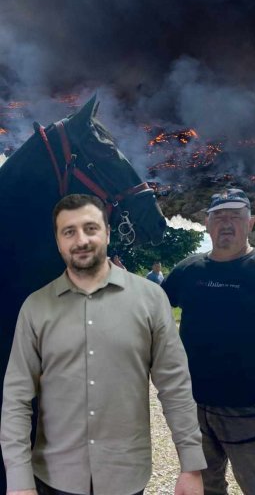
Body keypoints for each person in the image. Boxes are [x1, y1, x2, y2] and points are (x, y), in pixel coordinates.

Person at [1, 194, 205, 495]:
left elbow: (175, 385)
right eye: (69, 232)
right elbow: (16, 398)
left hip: (126, 478)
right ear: (58, 242)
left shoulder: (150, 300)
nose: (80, 240)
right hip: (54, 478)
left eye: (90, 228)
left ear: (108, 233)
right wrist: (18, 481)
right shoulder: (35, 307)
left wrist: (191, 466)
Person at [162, 188, 255, 495]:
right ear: (207, 224)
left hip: (248, 407)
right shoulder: (188, 269)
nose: (227, 223)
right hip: (191, 405)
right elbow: (150, 309)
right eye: (219, 216)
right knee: (204, 487)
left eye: (236, 215)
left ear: (251, 223)